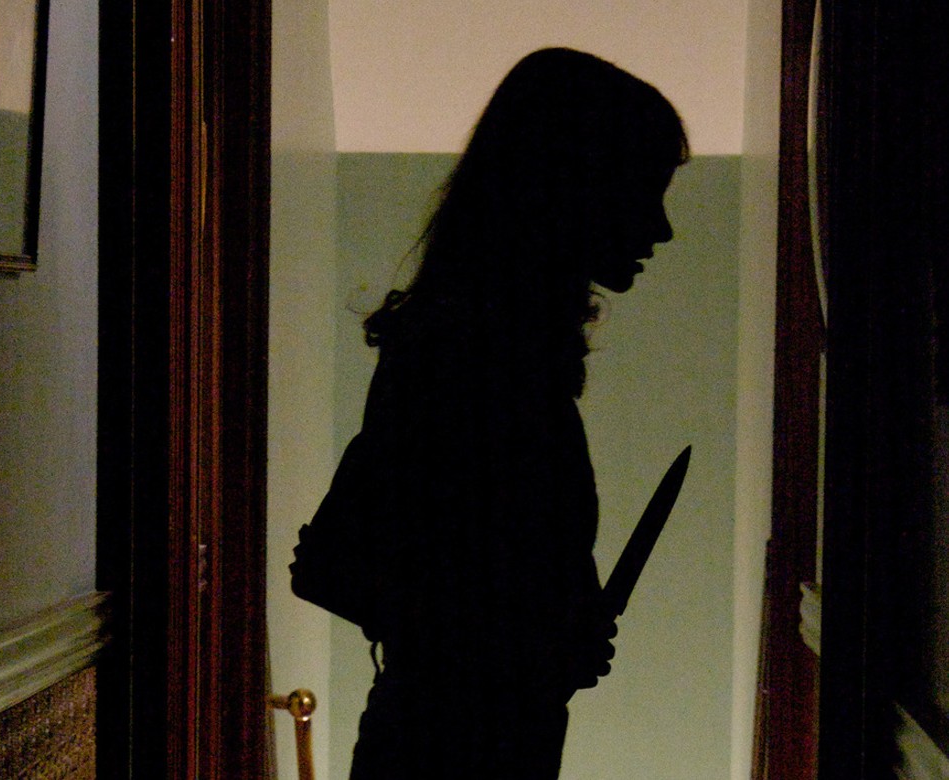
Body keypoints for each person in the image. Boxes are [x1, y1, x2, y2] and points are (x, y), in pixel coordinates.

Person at [295, 47, 689, 779]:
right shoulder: (469, 351)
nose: (661, 229)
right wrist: (536, 642)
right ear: (573, 185)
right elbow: (340, 567)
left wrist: (549, 630)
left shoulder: (488, 346)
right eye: (645, 190)